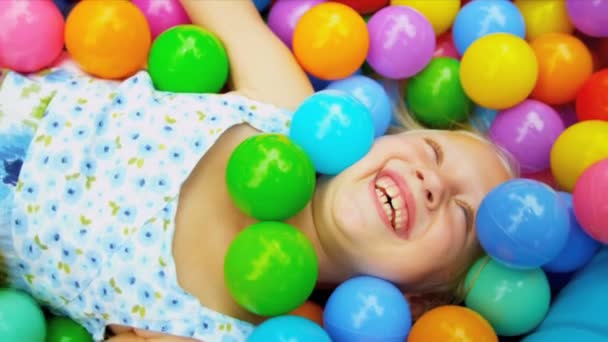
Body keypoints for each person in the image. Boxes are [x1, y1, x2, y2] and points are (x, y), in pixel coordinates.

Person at [0, 1, 516, 341]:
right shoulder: (284, 112)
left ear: (418, 297)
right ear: (378, 138)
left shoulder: (229, 331)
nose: (433, 183)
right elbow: (226, 12)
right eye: (432, 151)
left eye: (464, 214)